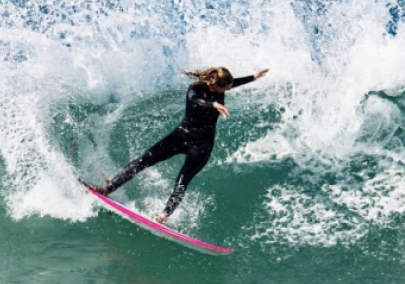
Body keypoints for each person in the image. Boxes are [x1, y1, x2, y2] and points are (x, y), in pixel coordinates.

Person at [88, 66, 269, 224]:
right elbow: (195, 100)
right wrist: (213, 104)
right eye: (226, 87)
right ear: (214, 84)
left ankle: (164, 215)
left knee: (183, 180)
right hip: (181, 136)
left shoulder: (220, 88)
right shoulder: (195, 89)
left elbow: (233, 82)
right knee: (144, 160)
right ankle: (108, 188)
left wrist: (254, 76)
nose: (228, 90)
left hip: (202, 144)